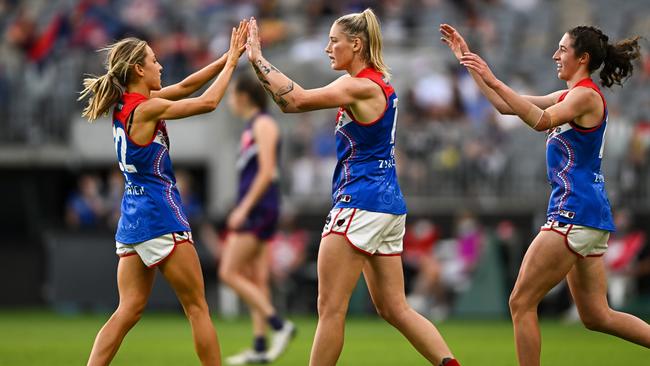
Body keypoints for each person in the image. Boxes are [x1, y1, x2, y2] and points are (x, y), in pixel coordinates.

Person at [247, 10, 460, 366]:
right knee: (395, 308)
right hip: (388, 205)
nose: (328, 48)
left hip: (359, 203)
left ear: (356, 44)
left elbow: (294, 101)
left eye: (334, 41)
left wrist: (257, 58)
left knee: (329, 309)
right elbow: (291, 103)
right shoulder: (378, 85)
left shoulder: (358, 85)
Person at [440, 23, 650, 365]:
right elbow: (507, 106)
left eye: (562, 49)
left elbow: (539, 120)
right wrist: (467, 60)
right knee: (597, 315)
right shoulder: (570, 95)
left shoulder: (584, 95)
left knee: (520, 302)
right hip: (589, 214)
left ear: (582, 58)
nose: (555, 55)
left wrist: (493, 78)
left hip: (574, 212)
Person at [78, 20, 249, 366]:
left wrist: (227, 56)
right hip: (160, 213)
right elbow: (208, 102)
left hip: (132, 217)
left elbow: (186, 85)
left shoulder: (128, 105)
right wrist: (232, 65)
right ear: (139, 69)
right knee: (198, 307)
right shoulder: (147, 108)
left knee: (127, 309)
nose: (160, 65)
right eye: (154, 60)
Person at [219, 74, 294, 365]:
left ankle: (279, 325)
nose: (229, 101)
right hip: (260, 207)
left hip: (260, 208)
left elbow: (266, 172)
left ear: (244, 96)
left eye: (231, 94)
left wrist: (243, 208)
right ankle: (261, 346)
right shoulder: (252, 126)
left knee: (228, 272)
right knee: (255, 278)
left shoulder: (263, 124)